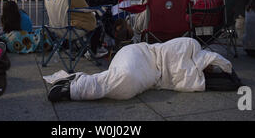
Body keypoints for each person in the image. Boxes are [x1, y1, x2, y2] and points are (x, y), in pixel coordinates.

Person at [45, 37, 233, 102]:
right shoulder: (192, 45)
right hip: (140, 53)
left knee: (127, 86)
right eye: (211, 68)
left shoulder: (197, 74)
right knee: (127, 78)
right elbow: (174, 59)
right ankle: (73, 88)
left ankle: (72, 87)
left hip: (152, 74)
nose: (210, 71)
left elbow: (180, 77)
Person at [44, 0, 108, 59]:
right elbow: (84, 8)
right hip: (69, 28)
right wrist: (99, 9)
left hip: (53, 27)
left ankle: (72, 48)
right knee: (97, 23)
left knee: (75, 16)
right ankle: (92, 52)